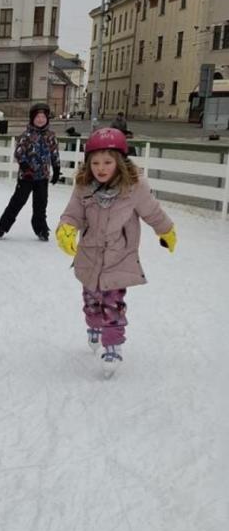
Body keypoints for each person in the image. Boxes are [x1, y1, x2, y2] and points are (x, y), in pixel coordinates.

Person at [54, 127, 175, 377]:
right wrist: (65, 229)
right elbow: (72, 213)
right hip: (90, 255)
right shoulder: (84, 186)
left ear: (119, 162)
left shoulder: (134, 187)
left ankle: (113, 346)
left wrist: (166, 230)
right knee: (91, 302)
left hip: (120, 257)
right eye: (95, 163)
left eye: (107, 162)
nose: (101, 168)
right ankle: (94, 325)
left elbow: (152, 212)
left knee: (113, 304)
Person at [0, 103, 62, 241]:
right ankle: (2, 226)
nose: (40, 120)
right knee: (17, 202)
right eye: (37, 117)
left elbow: (54, 153)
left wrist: (56, 170)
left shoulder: (51, 136)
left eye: (43, 117)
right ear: (32, 119)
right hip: (26, 176)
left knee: (41, 205)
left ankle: (41, 229)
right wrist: (25, 167)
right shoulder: (26, 136)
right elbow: (19, 153)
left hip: (42, 176)